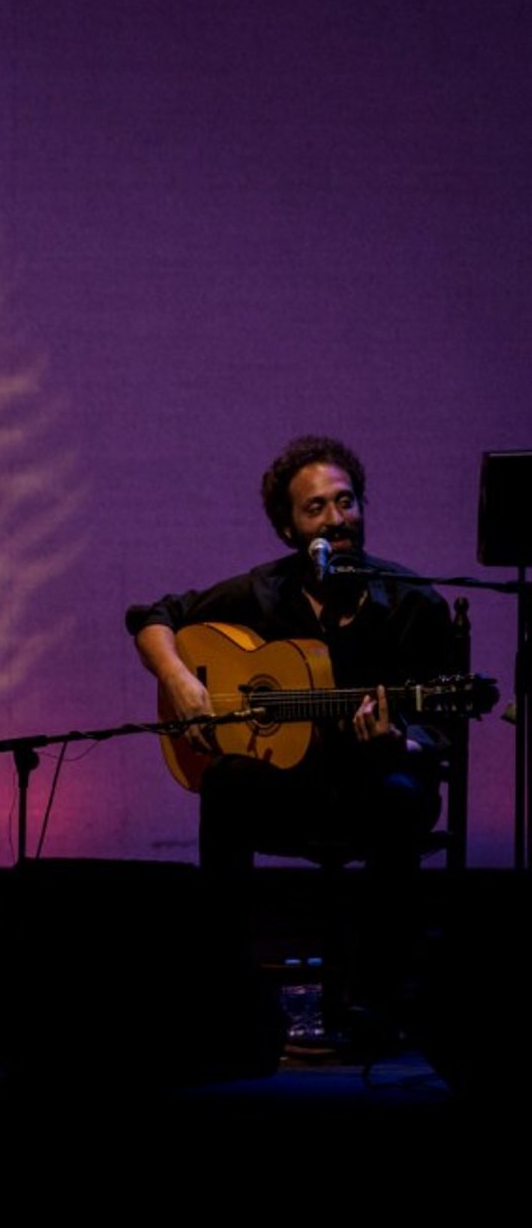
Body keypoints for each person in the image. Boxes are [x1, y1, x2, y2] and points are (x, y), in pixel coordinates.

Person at [125, 434, 456, 1040]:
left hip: (374, 783)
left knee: (400, 792)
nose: (338, 518)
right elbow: (153, 617)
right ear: (288, 530)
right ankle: (225, 992)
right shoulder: (264, 591)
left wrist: (400, 742)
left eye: (346, 501)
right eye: (317, 508)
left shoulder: (414, 603)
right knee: (224, 779)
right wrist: (179, 682)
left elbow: (442, 730)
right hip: (295, 788)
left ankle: (374, 998)